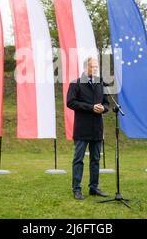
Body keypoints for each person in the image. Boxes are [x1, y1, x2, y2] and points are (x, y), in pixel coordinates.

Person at [67, 57, 109, 200]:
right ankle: (76, 189)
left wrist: (103, 108)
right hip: (82, 129)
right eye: (93, 67)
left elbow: (107, 103)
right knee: (78, 159)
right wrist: (91, 108)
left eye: (96, 67)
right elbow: (70, 102)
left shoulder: (100, 83)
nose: (95, 69)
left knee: (95, 159)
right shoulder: (76, 84)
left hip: (97, 128)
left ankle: (94, 188)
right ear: (86, 67)